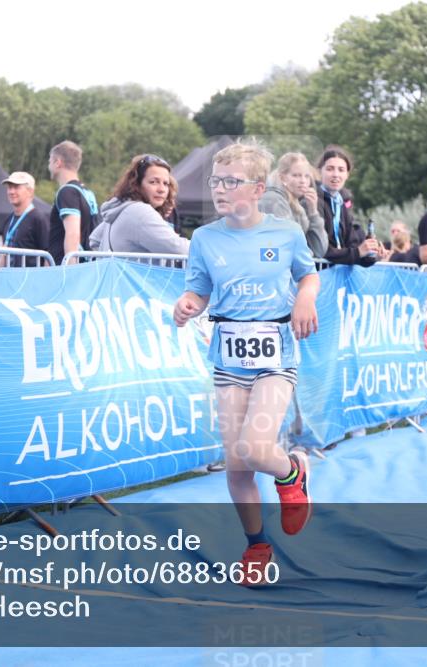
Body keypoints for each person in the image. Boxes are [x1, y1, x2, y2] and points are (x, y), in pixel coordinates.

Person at [173, 142, 318, 586]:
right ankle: (257, 544)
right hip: (228, 359)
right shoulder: (205, 238)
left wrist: (306, 298)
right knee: (237, 466)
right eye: (216, 181)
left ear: (257, 189)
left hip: (276, 355)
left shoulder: (285, 232)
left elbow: (307, 273)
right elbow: (198, 290)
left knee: (255, 449)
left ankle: (293, 469)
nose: (219, 189)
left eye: (231, 182)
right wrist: (188, 304)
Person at [89, 154, 190, 255]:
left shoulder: (122, 209)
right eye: (153, 182)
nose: (161, 189)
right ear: (136, 184)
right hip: (138, 271)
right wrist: (204, 245)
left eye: (165, 183)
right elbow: (179, 249)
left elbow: (95, 239)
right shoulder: (139, 211)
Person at [316, 146, 379, 266]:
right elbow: (321, 250)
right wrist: (357, 252)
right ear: (320, 172)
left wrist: (370, 253)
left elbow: (353, 248)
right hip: (316, 278)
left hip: (336, 279)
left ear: (347, 175)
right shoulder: (312, 202)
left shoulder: (341, 204)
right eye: (330, 169)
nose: (336, 174)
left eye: (341, 170)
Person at [259, 152, 329, 258]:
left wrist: (313, 211)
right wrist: (307, 257)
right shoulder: (273, 200)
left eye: (307, 176)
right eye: (296, 175)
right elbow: (289, 244)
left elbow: (319, 250)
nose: (303, 181)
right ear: (282, 178)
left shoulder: (298, 205)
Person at [48, 140, 98, 265]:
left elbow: (73, 234)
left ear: (58, 162)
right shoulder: (87, 192)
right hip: (87, 265)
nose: (48, 165)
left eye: (50, 161)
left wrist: (71, 273)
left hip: (69, 270)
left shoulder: (67, 192)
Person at [1, 171, 50, 267]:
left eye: (16, 187)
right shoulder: (8, 220)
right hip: (9, 279)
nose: (11, 191)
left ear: (30, 191)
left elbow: (48, 255)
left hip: (30, 280)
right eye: (9, 187)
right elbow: (4, 253)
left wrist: (45, 280)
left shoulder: (38, 219)